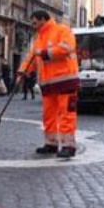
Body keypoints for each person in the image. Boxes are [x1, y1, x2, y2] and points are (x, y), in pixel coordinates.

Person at [16, 10, 80, 158]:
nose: (33, 26)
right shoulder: (39, 38)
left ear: (43, 19)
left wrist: (44, 53)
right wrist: (21, 72)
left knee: (67, 114)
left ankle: (69, 146)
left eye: (35, 22)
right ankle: (51, 143)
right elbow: (31, 58)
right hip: (48, 84)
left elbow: (67, 48)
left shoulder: (62, 30)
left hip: (66, 81)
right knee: (49, 115)